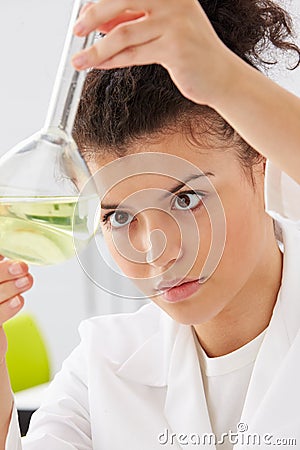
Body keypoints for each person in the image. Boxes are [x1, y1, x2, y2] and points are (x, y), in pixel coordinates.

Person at [1, 0, 300, 449]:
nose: (156, 250)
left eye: (186, 198)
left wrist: (225, 80)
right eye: (119, 216)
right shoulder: (104, 363)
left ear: (259, 161)